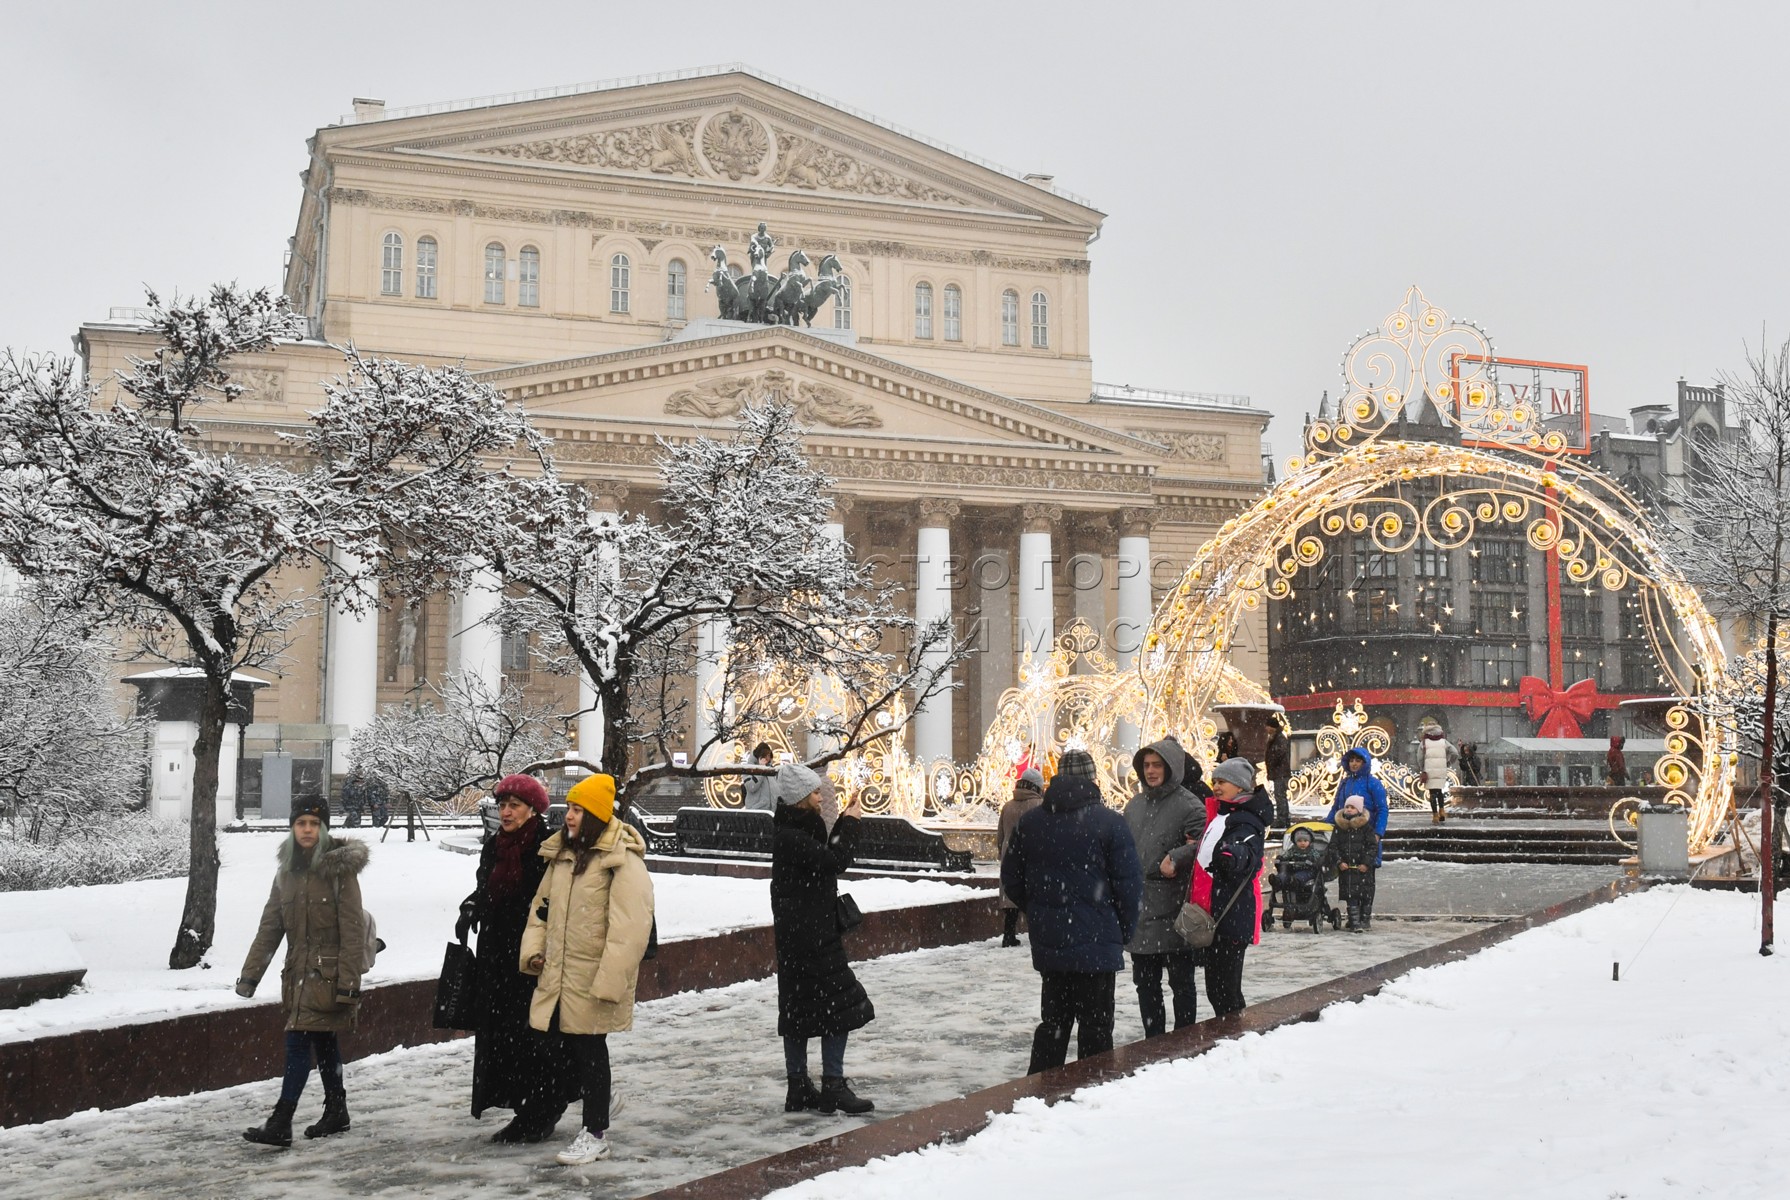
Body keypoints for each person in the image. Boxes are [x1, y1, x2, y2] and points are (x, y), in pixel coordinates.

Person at [521, 773, 656, 1166]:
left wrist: (610, 980)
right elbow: (541, 911)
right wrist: (534, 953)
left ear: (595, 815)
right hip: (558, 974)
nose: (569, 816)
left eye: (578, 810)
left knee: (589, 1050)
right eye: (569, 808)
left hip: (594, 976)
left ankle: (595, 1133)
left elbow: (630, 928)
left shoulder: (620, 860)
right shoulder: (563, 856)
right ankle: (599, 1097)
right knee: (548, 1042)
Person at [237, 798, 369, 1148]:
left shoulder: (340, 871)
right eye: (301, 823)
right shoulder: (286, 873)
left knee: (297, 1042)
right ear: (292, 828)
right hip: (297, 975)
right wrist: (250, 976)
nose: (307, 829)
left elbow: (352, 930)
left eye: (314, 823)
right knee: (324, 1042)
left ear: (323, 829)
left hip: (329, 976)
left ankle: (281, 1121)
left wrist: (349, 984)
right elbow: (270, 928)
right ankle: (337, 1109)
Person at [1002, 749, 1144, 1074]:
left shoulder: (1032, 822)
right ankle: (1092, 1086)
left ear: (1057, 778)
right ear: (1093, 779)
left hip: (1052, 942)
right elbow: (1129, 887)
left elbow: (1011, 878)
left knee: (1054, 1023)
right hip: (1098, 944)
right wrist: (1121, 931)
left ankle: (1041, 1089)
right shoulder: (1110, 823)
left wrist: (1040, 913)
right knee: (1096, 1027)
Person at [459, 773, 578, 1143]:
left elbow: (555, 900)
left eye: (514, 806)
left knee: (536, 1035)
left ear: (532, 810)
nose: (506, 812)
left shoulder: (547, 846)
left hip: (532, 955)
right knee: (506, 1036)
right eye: (502, 805)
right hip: (498, 956)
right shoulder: (495, 845)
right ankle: (525, 1108)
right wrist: (472, 905)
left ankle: (543, 1108)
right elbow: (486, 888)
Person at [770, 762, 877, 1115]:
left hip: (801, 936)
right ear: (801, 797)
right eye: (815, 792)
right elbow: (835, 861)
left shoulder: (793, 830)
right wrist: (853, 824)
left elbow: (824, 858)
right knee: (839, 1006)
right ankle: (832, 1085)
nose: (820, 797)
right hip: (813, 938)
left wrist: (843, 820)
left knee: (799, 1010)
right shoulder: (792, 836)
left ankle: (799, 1087)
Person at [1122, 738, 1205, 1037]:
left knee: (1181, 982)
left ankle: (1184, 1038)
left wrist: (1178, 856)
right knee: (1145, 983)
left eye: (1157, 765)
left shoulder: (1189, 805)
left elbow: (1205, 846)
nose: (1151, 771)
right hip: (1141, 909)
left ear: (1171, 767)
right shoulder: (1135, 805)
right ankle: (1153, 1039)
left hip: (1174, 908)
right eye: (1146, 765)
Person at [1192, 758, 1269, 1016]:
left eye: (1222, 781)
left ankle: (1235, 1031)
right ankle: (1229, 1029)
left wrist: (1231, 855)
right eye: (1214, 781)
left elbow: (1244, 848)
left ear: (1240, 786)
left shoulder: (1245, 820)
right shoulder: (1222, 815)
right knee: (1217, 988)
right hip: (1218, 910)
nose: (1216, 786)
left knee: (1225, 989)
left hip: (1232, 912)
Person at [997, 768, 1045, 947]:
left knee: (1011, 896)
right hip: (1033, 855)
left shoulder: (1008, 806)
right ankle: (1038, 933)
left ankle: (1008, 934)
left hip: (1010, 856)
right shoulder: (1041, 805)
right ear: (1037, 786)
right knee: (1034, 896)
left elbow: (1000, 836)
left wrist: (1003, 852)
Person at [1325, 749, 1390, 866]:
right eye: (1351, 760)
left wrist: (1378, 833)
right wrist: (1327, 825)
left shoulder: (1373, 783)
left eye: (1358, 761)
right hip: (1345, 838)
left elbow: (1382, 809)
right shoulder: (1344, 783)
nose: (1354, 764)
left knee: (1365, 869)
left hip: (1366, 835)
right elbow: (1336, 808)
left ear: (1365, 763)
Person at [1326, 795, 1380, 932]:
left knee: (1365, 894)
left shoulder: (1366, 828)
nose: (1349, 810)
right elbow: (1333, 846)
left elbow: (1372, 847)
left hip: (1363, 869)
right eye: (1347, 807)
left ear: (1359, 810)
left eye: (1352, 807)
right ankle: (1355, 922)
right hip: (1347, 868)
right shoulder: (1340, 827)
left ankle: (1364, 920)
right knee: (1351, 895)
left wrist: (1366, 863)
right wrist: (1339, 861)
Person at [1417, 721, 1459, 824]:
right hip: (1441, 770)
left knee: (1432, 793)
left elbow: (1420, 758)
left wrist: (1422, 768)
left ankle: (1435, 815)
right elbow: (1455, 752)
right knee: (1439, 791)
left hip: (1429, 770)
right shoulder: (1443, 741)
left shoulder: (1424, 742)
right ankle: (1442, 811)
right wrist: (1448, 762)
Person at [1265, 725, 1293, 826]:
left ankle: (1282, 819)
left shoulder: (1279, 738)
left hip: (1280, 773)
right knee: (1280, 796)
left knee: (1280, 796)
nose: (1266, 729)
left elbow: (1278, 754)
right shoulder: (1277, 738)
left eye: (1267, 727)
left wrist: (1272, 763)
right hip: (1279, 772)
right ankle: (1283, 818)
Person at [740, 742, 778, 812]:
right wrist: (761, 769)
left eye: (769, 756)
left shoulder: (770, 770)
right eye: (766, 756)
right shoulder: (748, 769)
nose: (767, 758)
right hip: (756, 810)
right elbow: (751, 787)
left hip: (769, 811)